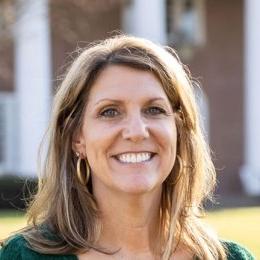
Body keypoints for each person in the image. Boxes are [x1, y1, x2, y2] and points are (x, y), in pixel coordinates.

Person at [0, 35, 255, 260]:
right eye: (110, 112)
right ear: (77, 137)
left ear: (179, 130)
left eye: (154, 110)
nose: (136, 131)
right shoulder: (23, 256)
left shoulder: (230, 258)